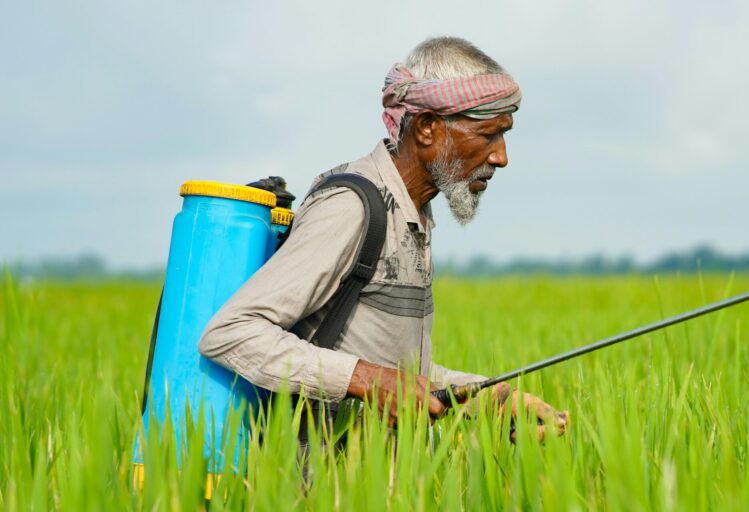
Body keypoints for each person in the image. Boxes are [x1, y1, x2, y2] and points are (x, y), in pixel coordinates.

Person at [198, 36, 568, 444]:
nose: (501, 156)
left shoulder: (414, 214)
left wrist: (494, 399)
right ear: (427, 128)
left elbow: (395, 372)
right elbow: (231, 331)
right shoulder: (351, 207)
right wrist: (366, 380)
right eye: (487, 136)